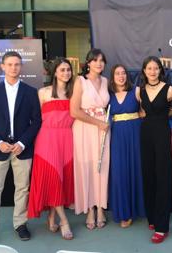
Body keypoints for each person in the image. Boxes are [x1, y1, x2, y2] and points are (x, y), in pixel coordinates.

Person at [0, 51, 42, 244]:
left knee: (22, 189)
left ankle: (20, 224)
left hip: (22, 149)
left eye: (17, 64)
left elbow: (36, 121)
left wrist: (22, 143)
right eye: (10, 64)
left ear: (21, 67)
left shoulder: (30, 92)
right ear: (3, 67)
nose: (14, 68)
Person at [27, 58, 75, 240]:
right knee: (54, 178)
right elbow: (36, 119)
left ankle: (52, 217)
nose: (66, 73)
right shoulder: (43, 92)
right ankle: (64, 221)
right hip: (47, 139)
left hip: (67, 138)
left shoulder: (73, 93)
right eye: (62, 70)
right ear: (55, 72)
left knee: (62, 179)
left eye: (68, 70)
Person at [70, 48, 110, 230]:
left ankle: (101, 207)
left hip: (103, 129)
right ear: (88, 63)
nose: (99, 63)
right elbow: (74, 111)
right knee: (86, 167)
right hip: (85, 128)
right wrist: (97, 123)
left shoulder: (106, 81)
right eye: (95, 60)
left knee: (101, 166)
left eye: (102, 60)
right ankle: (89, 209)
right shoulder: (79, 81)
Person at [139, 56, 172, 243]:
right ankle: (152, 217)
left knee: (162, 177)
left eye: (156, 68)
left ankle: (162, 226)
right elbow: (141, 112)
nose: (152, 71)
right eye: (149, 68)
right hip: (145, 135)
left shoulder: (170, 90)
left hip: (162, 134)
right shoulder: (140, 90)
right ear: (144, 71)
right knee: (148, 176)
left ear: (161, 70)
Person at [108, 64, 145, 228]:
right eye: (117, 73)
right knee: (119, 173)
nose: (121, 76)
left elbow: (145, 112)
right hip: (117, 136)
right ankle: (124, 213)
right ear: (113, 76)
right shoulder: (108, 95)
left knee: (136, 170)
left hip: (135, 134)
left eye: (123, 73)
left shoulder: (136, 91)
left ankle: (138, 209)